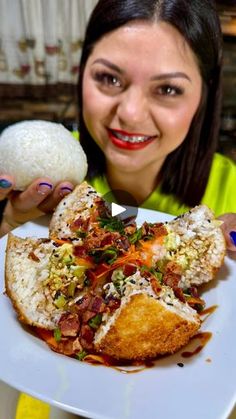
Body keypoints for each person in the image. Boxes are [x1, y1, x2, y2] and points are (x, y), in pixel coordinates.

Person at [1, 0, 236, 417]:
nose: (129, 113)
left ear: (204, 92)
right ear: (81, 72)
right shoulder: (43, 182)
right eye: (109, 78)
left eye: (167, 88)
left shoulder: (230, 189)